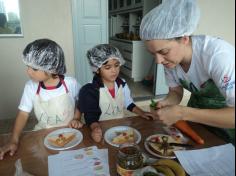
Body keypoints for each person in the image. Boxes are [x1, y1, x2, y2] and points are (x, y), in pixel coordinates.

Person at [139, 0, 235, 144]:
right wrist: (166, 103)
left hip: (227, 123)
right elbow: (176, 92)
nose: (158, 61)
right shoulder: (171, 61)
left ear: (184, 39)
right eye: (153, 54)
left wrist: (182, 112)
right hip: (196, 120)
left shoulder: (218, 55)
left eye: (163, 51)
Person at [0, 39, 83, 160]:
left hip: (69, 132)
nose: (28, 71)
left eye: (34, 68)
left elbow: (81, 102)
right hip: (43, 133)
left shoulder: (70, 83)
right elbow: (23, 113)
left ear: (52, 68)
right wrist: (14, 140)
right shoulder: (31, 86)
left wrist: (76, 118)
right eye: (28, 66)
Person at [78, 44, 155, 142]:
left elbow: (128, 103)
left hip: (120, 128)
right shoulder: (90, 89)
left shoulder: (122, 84)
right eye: (108, 67)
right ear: (97, 69)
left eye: (116, 65)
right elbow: (90, 115)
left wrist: (142, 113)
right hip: (100, 129)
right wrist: (95, 128)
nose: (114, 71)